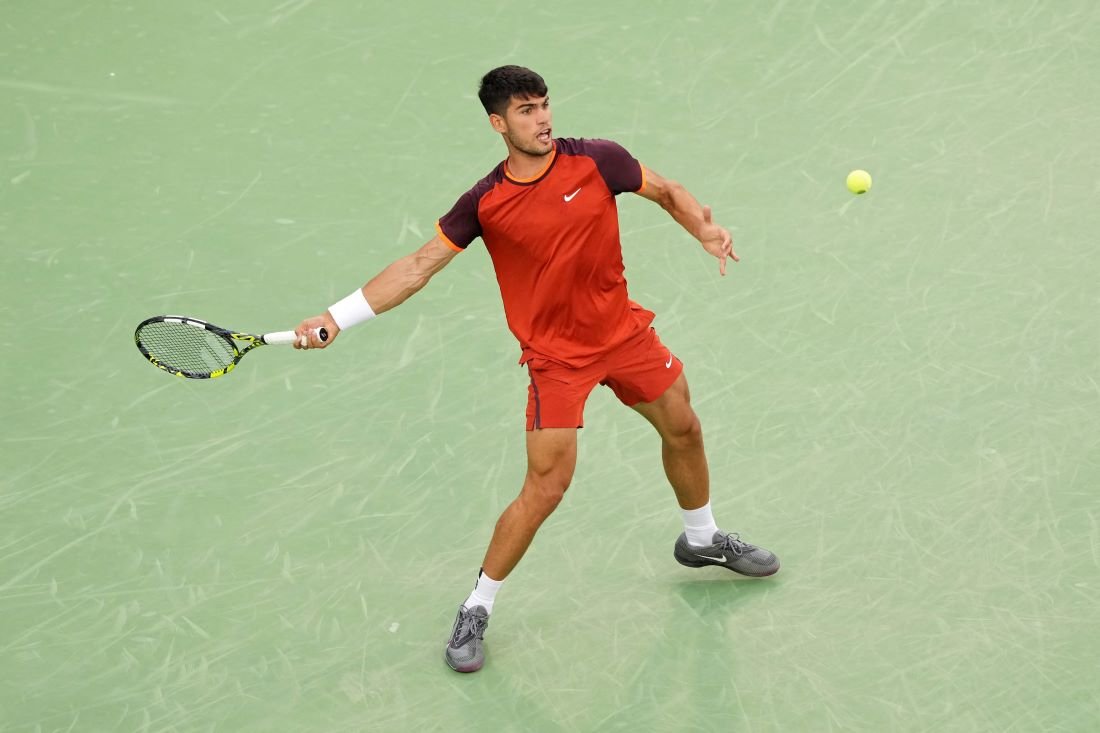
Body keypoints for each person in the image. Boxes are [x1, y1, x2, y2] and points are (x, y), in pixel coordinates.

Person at [293, 65, 780, 673]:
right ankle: (477, 605)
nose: (543, 118)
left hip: (623, 333)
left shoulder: (599, 160)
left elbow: (665, 190)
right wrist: (337, 318)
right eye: (526, 110)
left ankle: (702, 539)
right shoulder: (486, 203)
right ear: (498, 124)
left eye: (545, 105)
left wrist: (702, 228)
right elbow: (418, 265)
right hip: (557, 360)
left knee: (683, 425)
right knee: (547, 486)